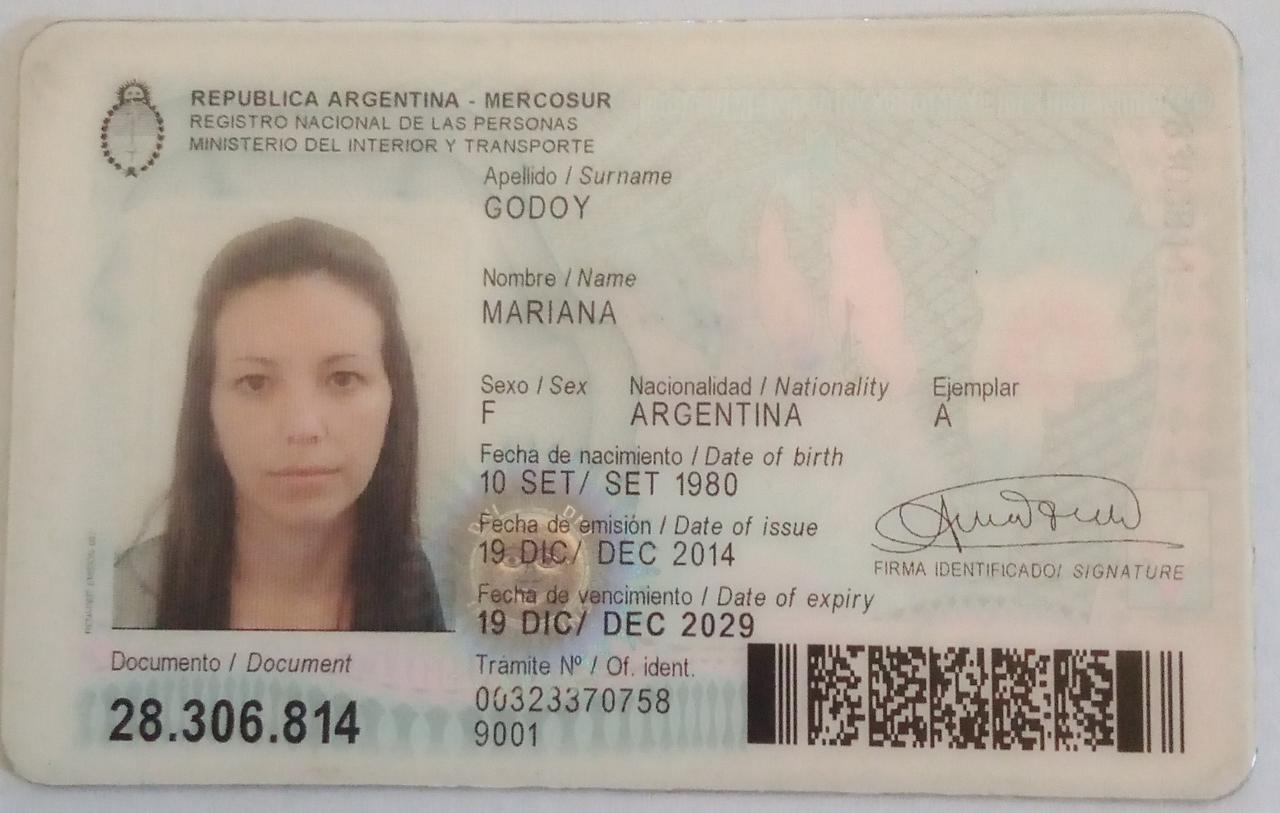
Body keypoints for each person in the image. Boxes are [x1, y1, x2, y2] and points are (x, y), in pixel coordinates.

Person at [113, 218, 446, 631]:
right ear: (207, 414)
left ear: (394, 402)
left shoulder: (440, 594)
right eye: (255, 383)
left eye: (343, 379)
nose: (302, 428)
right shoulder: (130, 599)